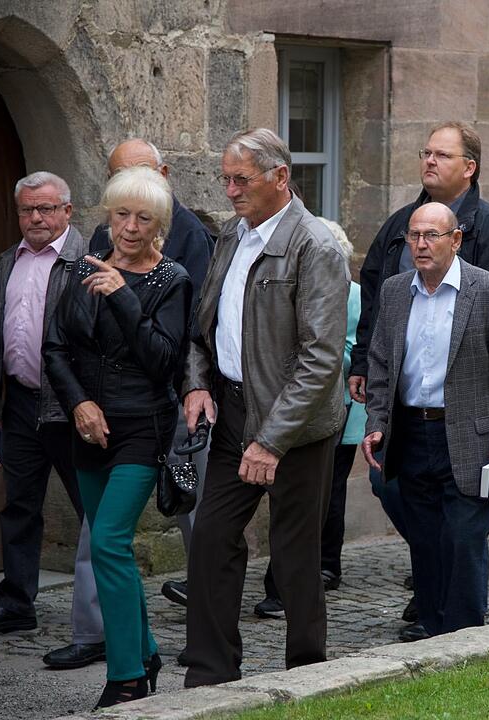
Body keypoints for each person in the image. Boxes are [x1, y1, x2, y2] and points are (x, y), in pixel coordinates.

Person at [182, 128, 348, 686]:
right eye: (225, 178)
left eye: (240, 179)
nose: (229, 190)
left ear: (281, 177)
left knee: (294, 554)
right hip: (230, 410)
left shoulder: (314, 245)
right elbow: (204, 327)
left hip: (296, 426)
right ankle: (210, 672)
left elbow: (321, 359)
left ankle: (306, 672)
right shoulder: (233, 235)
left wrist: (271, 439)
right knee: (210, 538)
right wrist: (197, 384)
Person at [348, 120, 489, 629]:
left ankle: (464, 636)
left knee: (464, 539)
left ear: (457, 240)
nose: (422, 244)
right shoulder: (399, 290)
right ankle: (430, 621)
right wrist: (378, 417)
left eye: (433, 236)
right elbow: (382, 360)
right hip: (412, 430)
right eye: (416, 236)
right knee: (425, 540)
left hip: (470, 431)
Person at [43, 166, 191, 708]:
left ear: (160, 225)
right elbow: (55, 349)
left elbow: (164, 361)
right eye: (121, 214)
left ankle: (127, 676)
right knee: (108, 547)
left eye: (143, 218)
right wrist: (79, 403)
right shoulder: (81, 269)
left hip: (140, 428)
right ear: (106, 214)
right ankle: (146, 649)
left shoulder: (171, 279)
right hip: (88, 427)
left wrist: (122, 295)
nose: (129, 227)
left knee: (108, 541)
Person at [0, 173, 101, 650]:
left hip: (73, 408)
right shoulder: (8, 261)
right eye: (28, 210)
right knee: (20, 504)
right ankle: (16, 603)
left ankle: (99, 615)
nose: (36, 218)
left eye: (46, 209)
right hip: (20, 404)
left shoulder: (88, 262)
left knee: (94, 511)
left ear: (68, 210)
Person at [85, 138, 215, 615]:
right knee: (99, 537)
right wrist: (80, 399)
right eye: (121, 203)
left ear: (163, 173)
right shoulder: (101, 245)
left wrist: (194, 388)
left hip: (166, 403)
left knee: (184, 503)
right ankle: (101, 634)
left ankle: (205, 614)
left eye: (142, 174)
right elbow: (64, 340)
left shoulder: (186, 243)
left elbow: (185, 335)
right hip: (99, 414)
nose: (130, 225)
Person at [255, 217, 368, 614]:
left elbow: (353, 348)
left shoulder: (353, 293)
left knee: (329, 491)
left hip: (339, 408)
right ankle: (295, 576)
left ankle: (324, 566)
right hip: (292, 407)